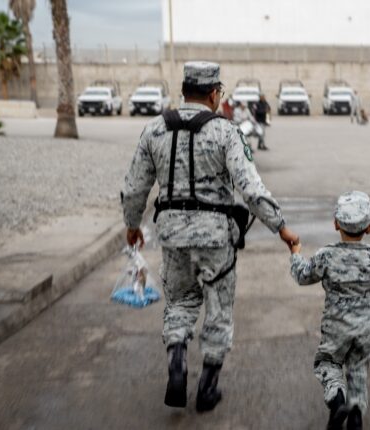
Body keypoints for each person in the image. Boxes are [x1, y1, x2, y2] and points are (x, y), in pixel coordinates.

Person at [121, 61, 299, 412]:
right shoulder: (226, 132)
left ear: (183, 90)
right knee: (217, 310)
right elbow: (251, 188)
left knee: (180, 302)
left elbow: (134, 188)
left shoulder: (154, 130)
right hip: (216, 239)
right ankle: (207, 387)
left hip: (171, 236)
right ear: (215, 93)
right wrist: (281, 228)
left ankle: (176, 359)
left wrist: (132, 226)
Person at [289, 191, 370, 430]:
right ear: (369, 228)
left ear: (335, 224)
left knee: (328, 363)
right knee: (358, 368)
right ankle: (355, 414)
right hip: (365, 328)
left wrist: (296, 254)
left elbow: (303, 276)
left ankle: (336, 400)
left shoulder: (326, 255)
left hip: (335, 327)